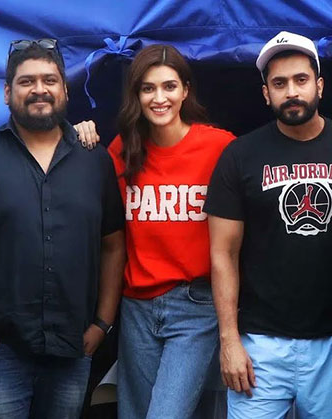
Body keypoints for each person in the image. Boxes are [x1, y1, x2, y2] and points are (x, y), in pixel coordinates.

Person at [0, 38, 126, 419]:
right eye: (26, 81)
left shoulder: (95, 161)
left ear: (65, 90)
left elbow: (114, 245)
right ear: (7, 93)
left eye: (49, 80)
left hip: (72, 349)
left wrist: (102, 324)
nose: (39, 89)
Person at [204, 31, 332, 418]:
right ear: (265, 93)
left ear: (319, 85)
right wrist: (229, 340)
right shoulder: (239, 156)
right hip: (260, 345)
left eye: (301, 80)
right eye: (279, 83)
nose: (291, 92)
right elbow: (222, 253)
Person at [101, 44, 234, 419]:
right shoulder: (122, 149)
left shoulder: (220, 146)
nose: (159, 98)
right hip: (136, 307)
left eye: (169, 86)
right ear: (136, 95)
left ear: (185, 90)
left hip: (196, 305)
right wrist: (80, 134)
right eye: (148, 88)